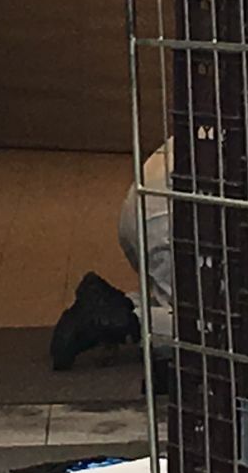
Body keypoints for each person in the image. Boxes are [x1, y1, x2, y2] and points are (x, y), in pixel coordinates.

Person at [50, 139, 174, 369]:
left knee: (192, 303)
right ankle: (124, 321)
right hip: (171, 225)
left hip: (149, 208)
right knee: (222, 329)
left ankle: (118, 306)